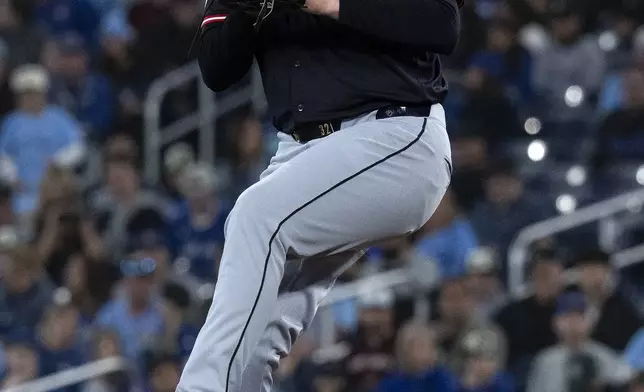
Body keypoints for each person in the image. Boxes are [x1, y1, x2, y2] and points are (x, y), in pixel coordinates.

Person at [179, 0, 461, 390]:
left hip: (395, 133)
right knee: (252, 341)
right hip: (301, 150)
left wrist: (323, 3)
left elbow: (441, 22)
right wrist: (248, 11)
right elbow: (216, 69)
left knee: (255, 215)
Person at [526, 292, 631, 392]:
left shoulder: (603, 356)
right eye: (568, 316)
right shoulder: (545, 361)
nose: (573, 322)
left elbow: (625, 380)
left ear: (591, 321)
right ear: (555, 322)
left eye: (579, 316)